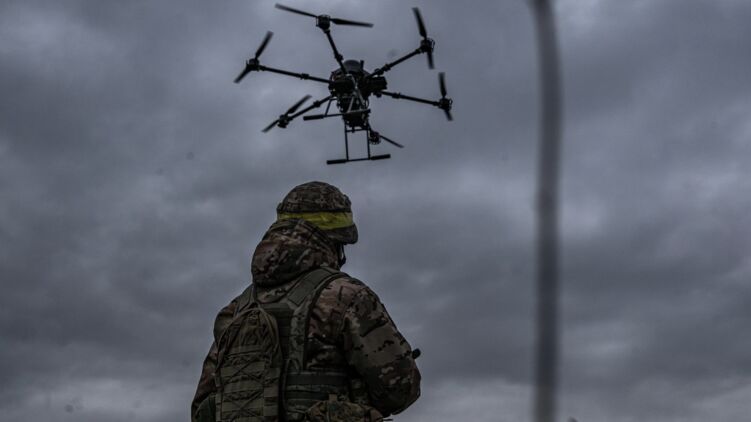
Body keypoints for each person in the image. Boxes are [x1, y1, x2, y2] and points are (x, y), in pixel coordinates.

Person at [191, 181, 421, 422]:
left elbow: (202, 408)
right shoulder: (347, 297)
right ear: (336, 243)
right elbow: (400, 391)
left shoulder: (236, 310)